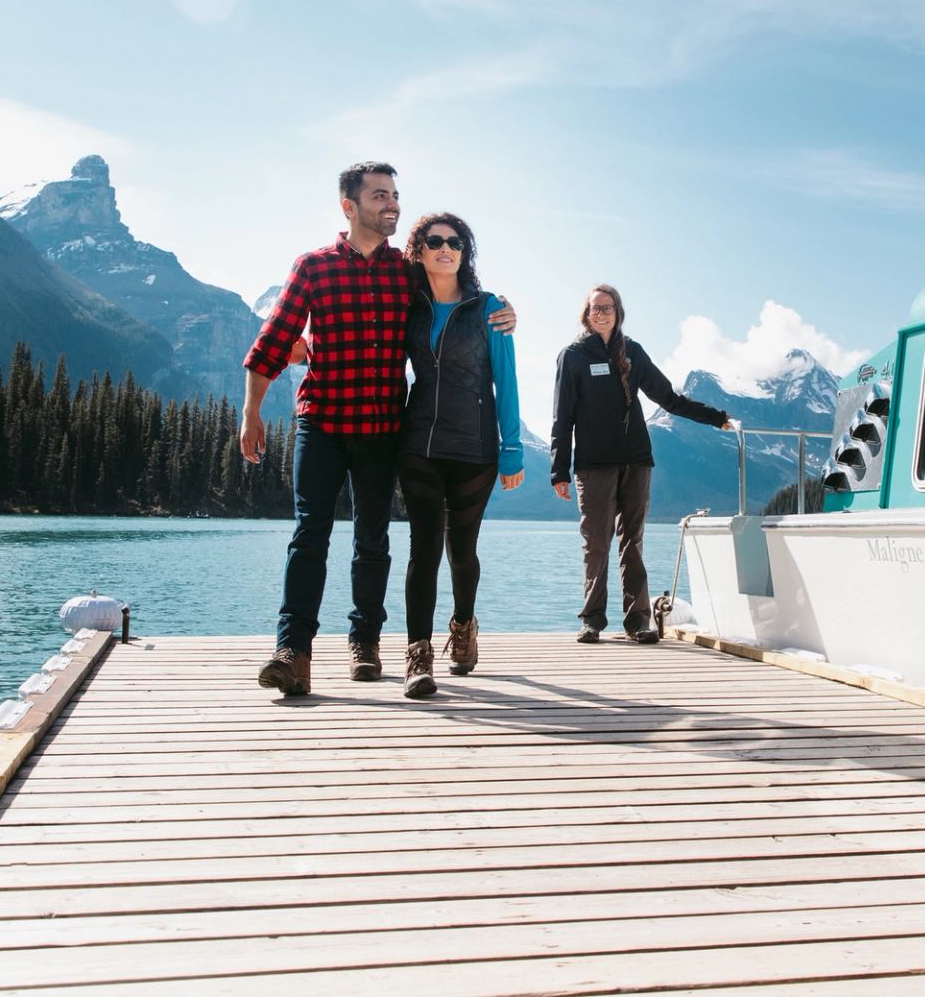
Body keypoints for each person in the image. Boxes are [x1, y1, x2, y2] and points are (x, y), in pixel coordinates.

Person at [240, 162, 514, 697]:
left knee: (372, 539)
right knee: (308, 534)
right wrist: (251, 412)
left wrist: (502, 311)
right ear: (350, 206)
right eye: (379, 195)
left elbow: (453, 289)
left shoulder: (405, 272)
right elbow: (273, 340)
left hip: (383, 426)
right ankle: (292, 652)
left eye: (395, 195)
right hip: (319, 420)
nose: (391, 204)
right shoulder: (313, 267)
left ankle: (365, 642)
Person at [550, 284, 735, 644]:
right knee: (596, 543)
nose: (601, 313)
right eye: (595, 308)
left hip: (636, 460)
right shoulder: (572, 356)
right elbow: (562, 416)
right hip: (593, 464)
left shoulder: (631, 352)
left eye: (608, 307)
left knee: (632, 542)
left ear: (618, 312)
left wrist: (716, 417)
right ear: (586, 315)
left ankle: (638, 621)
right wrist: (559, 469)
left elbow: (668, 398)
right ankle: (592, 619)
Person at [398, 212, 524, 698]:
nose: (445, 248)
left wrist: (511, 450)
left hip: (474, 447)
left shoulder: (490, 308)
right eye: (435, 241)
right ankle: (418, 654)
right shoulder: (411, 306)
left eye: (455, 242)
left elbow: (505, 381)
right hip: (418, 444)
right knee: (423, 548)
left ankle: (464, 625)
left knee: (462, 550)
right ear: (421, 251)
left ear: (464, 252)